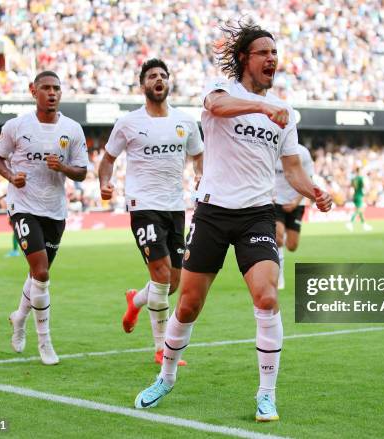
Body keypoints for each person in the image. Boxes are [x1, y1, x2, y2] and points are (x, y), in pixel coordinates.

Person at [134, 20, 333, 422]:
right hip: (212, 211)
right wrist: (262, 106)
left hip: (258, 215)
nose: (272, 59)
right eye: (264, 53)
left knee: (267, 297)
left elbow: (292, 169)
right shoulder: (223, 90)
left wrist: (314, 191)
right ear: (245, 58)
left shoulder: (285, 114)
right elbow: (216, 108)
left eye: (275, 54)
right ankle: (167, 377)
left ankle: (266, 394)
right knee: (188, 304)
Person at [99, 58, 203, 365]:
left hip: (175, 207)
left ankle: (136, 300)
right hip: (143, 205)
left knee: (172, 283)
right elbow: (107, 159)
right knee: (159, 275)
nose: (158, 79)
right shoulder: (129, 122)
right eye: (152, 76)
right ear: (143, 84)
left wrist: (200, 175)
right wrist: (105, 183)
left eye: (163, 75)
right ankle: (162, 349)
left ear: (169, 83)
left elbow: (198, 156)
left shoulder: (185, 122)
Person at [0, 71, 89, 365]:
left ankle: (19, 318)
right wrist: (11, 176)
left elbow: (82, 172)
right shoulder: (16, 126)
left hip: (55, 210)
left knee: (38, 274)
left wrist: (62, 168)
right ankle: (45, 343)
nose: (51, 93)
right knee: (42, 273)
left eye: (56, 88)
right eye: (45, 88)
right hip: (23, 206)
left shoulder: (72, 129)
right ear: (33, 91)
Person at [274, 143, 314, 289]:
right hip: (275, 200)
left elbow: (309, 179)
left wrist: (296, 202)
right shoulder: (272, 147)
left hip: (297, 201)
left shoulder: (303, 152)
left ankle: (278, 246)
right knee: (278, 238)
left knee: (292, 246)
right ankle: (279, 277)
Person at [346, 165, 372, 232]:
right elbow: (365, 186)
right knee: (359, 210)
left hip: (355, 195)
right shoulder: (361, 178)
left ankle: (364, 225)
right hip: (359, 195)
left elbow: (351, 188)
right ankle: (350, 222)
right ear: (359, 171)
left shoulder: (353, 179)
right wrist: (368, 193)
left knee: (361, 211)